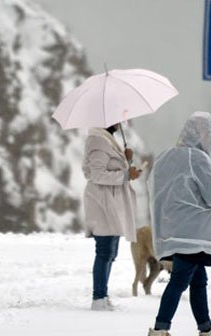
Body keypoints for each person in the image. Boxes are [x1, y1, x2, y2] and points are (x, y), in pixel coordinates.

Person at [147, 112, 211, 336]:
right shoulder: (197, 158)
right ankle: (160, 329)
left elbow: (160, 192)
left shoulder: (166, 156)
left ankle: (206, 329)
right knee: (180, 281)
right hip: (193, 233)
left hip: (173, 230)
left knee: (199, 280)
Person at [82, 124, 141, 311]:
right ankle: (98, 298)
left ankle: (102, 295)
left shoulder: (106, 140)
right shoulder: (99, 141)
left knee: (110, 252)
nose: (119, 123)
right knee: (105, 251)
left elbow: (108, 167)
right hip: (103, 204)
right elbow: (97, 174)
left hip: (110, 203)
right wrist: (125, 175)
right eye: (117, 120)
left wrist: (126, 159)